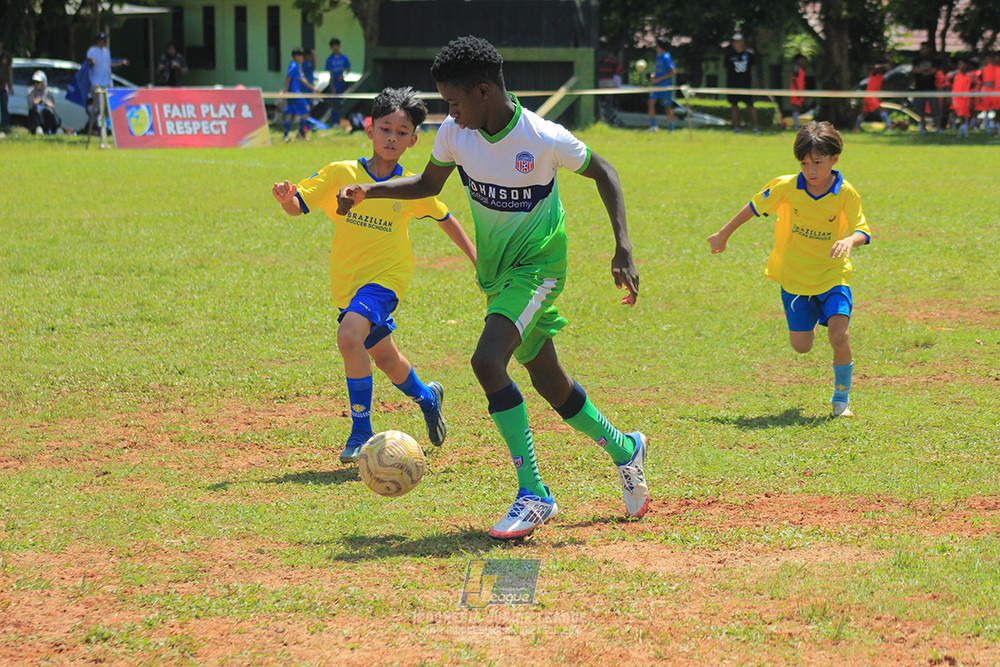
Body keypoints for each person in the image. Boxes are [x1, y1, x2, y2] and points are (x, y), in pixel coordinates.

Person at [336, 36, 648, 540]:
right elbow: (427, 186)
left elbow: (605, 172)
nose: (449, 113)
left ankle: (534, 493)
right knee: (550, 382)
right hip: (498, 275)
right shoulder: (455, 135)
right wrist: (368, 190)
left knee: (486, 361)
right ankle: (625, 448)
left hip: (538, 267)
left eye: (454, 102)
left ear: (483, 91)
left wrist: (623, 247)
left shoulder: (542, 137)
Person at [271, 87, 477, 463]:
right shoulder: (341, 173)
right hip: (347, 283)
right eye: (385, 129)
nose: (391, 138)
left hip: (387, 277)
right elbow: (298, 206)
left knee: (350, 337)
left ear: (413, 140)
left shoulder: (410, 186)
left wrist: (477, 260)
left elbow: (445, 218)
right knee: (385, 359)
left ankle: (360, 431)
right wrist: (287, 199)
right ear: (370, 130)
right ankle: (427, 398)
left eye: (401, 132)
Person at [708, 121, 871, 419]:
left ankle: (840, 400)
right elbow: (753, 207)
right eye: (804, 163)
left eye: (817, 162)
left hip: (833, 275)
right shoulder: (785, 186)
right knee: (801, 346)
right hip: (795, 277)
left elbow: (862, 229)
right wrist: (723, 234)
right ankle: (811, 318)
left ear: (834, 159)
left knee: (839, 335)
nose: (810, 170)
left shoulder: (845, 193)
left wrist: (849, 240)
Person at [87, 32, 128, 133]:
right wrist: (91, 62)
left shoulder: (106, 51)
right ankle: (95, 128)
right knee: (98, 107)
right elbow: (90, 61)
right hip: (97, 83)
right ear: (99, 41)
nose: (105, 42)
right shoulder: (92, 50)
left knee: (107, 108)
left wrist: (121, 63)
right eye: (104, 40)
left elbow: (108, 64)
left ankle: (106, 128)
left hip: (108, 83)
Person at [723, 33, 759, 134]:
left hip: (746, 84)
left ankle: (755, 128)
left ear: (742, 42)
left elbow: (753, 67)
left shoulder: (750, 54)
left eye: (738, 42)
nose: (736, 44)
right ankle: (736, 128)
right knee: (734, 105)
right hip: (733, 84)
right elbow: (726, 69)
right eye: (734, 42)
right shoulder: (729, 55)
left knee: (750, 105)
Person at [283, 47, 319, 142]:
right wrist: (285, 93)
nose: (302, 59)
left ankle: (285, 136)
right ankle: (301, 134)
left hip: (291, 94)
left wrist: (313, 88)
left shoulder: (295, 66)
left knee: (290, 113)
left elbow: (303, 80)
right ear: (297, 56)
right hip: (295, 93)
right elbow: (288, 78)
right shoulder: (294, 66)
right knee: (306, 111)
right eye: (302, 57)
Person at [646, 38, 676, 132]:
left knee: (667, 107)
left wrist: (659, 79)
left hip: (665, 86)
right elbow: (658, 70)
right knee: (651, 103)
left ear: (659, 46)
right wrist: (653, 75)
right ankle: (653, 126)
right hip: (656, 85)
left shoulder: (666, 57)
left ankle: (671, 128)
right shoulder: (658, 56)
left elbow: (673, 72)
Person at [852, 60, 892, 132]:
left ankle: (855, 128)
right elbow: (877, 67)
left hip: (870, 96)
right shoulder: (874, 73)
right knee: (881, 110)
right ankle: (889, 128)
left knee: (864, 113)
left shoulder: (880, 76)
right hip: (870, 96)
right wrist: (885, 65)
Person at [912, 41, 942, 134]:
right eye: (922, 49)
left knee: (935, 109)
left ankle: (938, 127)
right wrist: (927, 70)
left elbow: (934, 71)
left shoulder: (934, 60)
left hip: (931, 88)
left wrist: (922, 70)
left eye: (925, 49)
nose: (923, 51)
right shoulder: (916, 60)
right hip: (919, 88)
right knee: (920, 110)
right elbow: (915, 70)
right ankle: (922, 127)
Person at [325, 38, 352, 127]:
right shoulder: (330, 59)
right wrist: (332, 85)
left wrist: (343, 76)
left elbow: (348, 69)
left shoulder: (344, 58)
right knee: (333, 103)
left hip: (341, 83)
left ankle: (342, 122)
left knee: (340, 103)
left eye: (337, 46)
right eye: (333, 46)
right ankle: (334, 123)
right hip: (334, 83)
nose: (335, 48)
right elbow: (330, 74)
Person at [946, 56, 976, 137]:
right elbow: (949, 86)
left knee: (966, 113)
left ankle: (963, 128)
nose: (961, 66)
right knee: (958, 113)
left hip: (966, 97)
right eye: (959, 64)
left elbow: (973, 87)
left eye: (962, 64)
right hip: (956, 97)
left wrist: (972, 99)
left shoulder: (970, 75)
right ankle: (960, 128)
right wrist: (949, 96)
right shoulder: (954, 75)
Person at [594, 37, 621, 126]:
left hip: (597, 83)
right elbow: (618, 70)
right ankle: (609, 120)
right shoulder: (611, 57)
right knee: (608, 103)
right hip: (609, 83)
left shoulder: (595, 56)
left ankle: (599, 118)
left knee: (597, 102)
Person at [26, 70, 61, 135]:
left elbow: (52, 105)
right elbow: (31, 105)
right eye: (34, 82)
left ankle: (55, 128)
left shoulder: (48, 93)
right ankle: (38, 128)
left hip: (47, 116)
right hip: (36, 117)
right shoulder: (31, 92)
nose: (36, 84)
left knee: (50, 111)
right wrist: (37, 102)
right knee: (37, 111)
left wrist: (44, 101)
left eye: (38, 82)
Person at [789, 53, 807, 130]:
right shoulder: (796, 68)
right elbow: (794, 79)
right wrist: (797, 91)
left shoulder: (802, 69)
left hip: (800, 91)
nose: (802, 61)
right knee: (796, 107)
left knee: (798, 107)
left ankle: (796, 124)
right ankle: (795, 125)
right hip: (796, 91)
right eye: (801, 60)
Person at [0, 37, 12, 134]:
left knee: (4, 107)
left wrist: (11, 84)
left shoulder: (7, 56)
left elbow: (10, 70)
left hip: (3, 86)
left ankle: (5, 126)